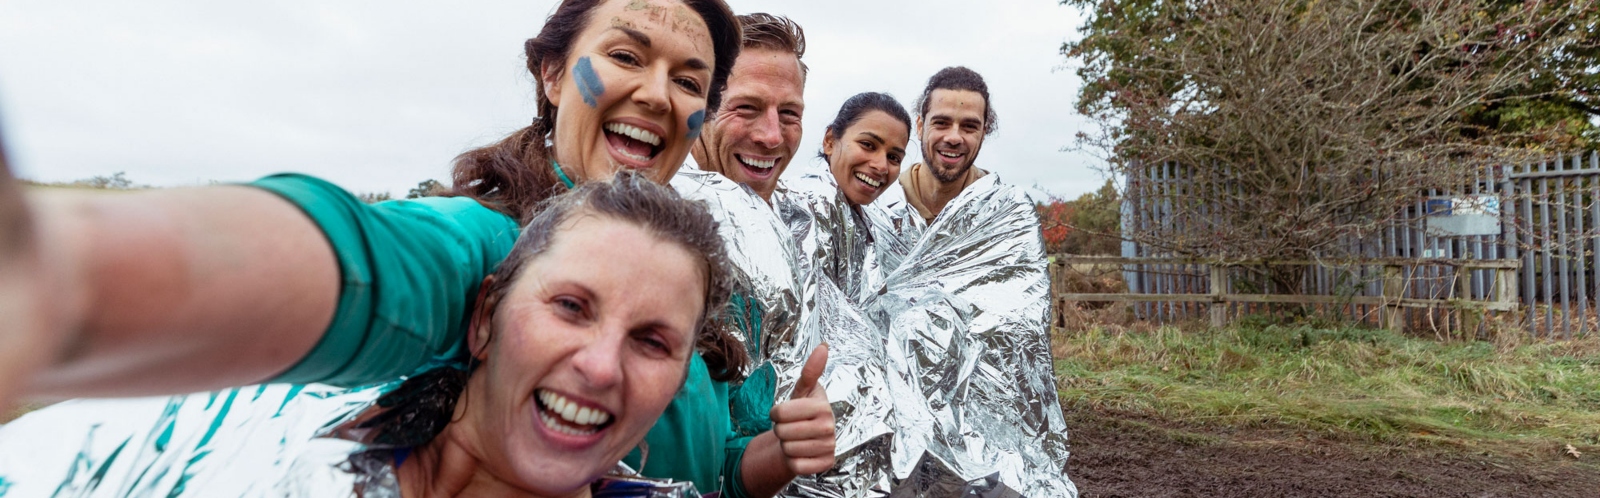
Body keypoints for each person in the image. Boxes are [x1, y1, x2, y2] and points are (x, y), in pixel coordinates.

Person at [0, 175, 751, 497]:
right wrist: (61, 281)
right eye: (571, 307)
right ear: (485, 317)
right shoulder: (256, 454)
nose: (599, 366)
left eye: (653, 342)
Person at [689, 13, 807, 203]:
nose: (772, 137)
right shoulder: (646, 213)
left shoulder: (793, 216)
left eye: (788, 112)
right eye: (747, 107)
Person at [892, 66, 998, 225]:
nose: (954, 138)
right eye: (941, 123)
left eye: (969, 126)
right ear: (920, 127)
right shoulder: (881, 203)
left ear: (983, 133)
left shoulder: (1002, 213)